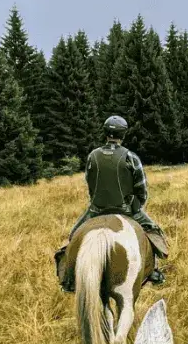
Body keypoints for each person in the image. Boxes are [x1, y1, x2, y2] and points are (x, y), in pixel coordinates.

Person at [54, 115, 169, 292]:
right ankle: (153, 270)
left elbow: (90, 184)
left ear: (106, 133)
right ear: (123, 134)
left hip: (96, 210)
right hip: (127, 210)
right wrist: (136, 206)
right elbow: (142, 189)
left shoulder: (93, 156)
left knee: (73, 236)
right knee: (153, 231)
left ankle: (69, 280)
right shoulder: (131, 157)